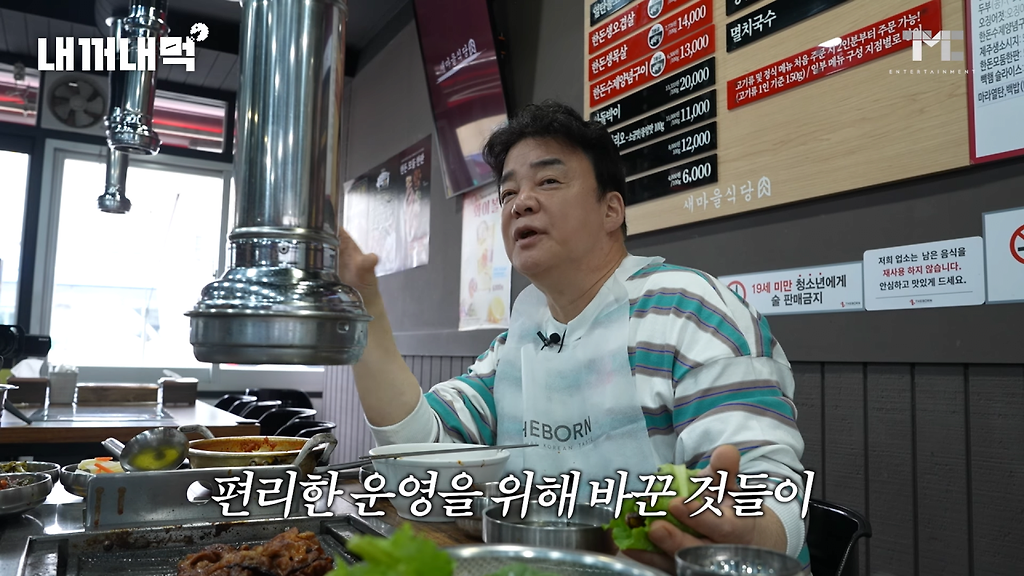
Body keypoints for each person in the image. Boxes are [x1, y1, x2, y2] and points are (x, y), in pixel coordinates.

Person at [336, 100, 810, 573]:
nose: (520, 202)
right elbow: (419, 452)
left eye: (548, 181)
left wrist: (753, 533)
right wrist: (362, 306)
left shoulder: (691, 313)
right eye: (507, 192)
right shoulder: (519, 345)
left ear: (611, 210)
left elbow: (772, 494)